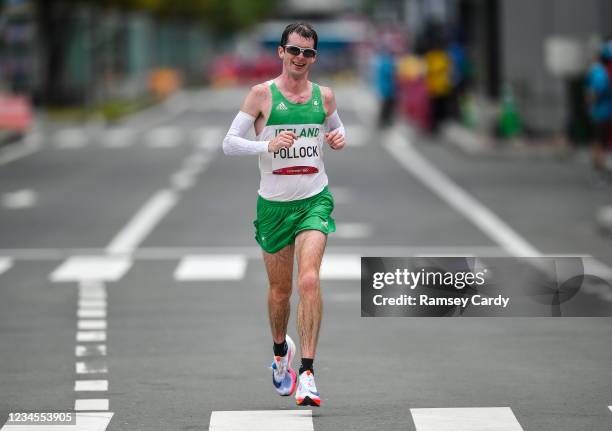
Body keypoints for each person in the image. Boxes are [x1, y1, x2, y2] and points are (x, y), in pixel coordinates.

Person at [222, 22, 346, 407]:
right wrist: (266, 144)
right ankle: (281, 354)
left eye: (307, 53)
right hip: (274, 207)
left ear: (314, 57)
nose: (300, 58)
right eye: (293, 50)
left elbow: (338, 131)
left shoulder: (324, 97)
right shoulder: (261, 95)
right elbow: (228, 144)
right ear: (281, 52)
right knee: (280, 292)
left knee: (309, 280)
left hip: (314, 200)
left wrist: (339, 138)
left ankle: (307, 372)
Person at [586, 40, 612, 173]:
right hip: (606, 110)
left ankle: (599, 164)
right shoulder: (604, 72)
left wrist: (590, 105)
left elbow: (594, 92)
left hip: (601, 111)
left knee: (599, 139)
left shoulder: (598, 72)